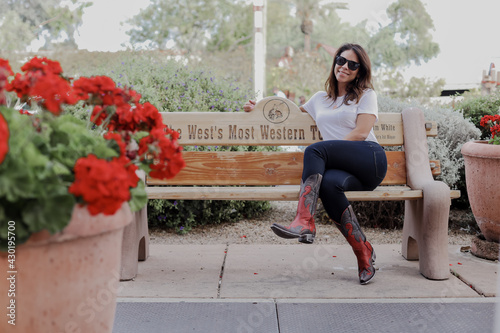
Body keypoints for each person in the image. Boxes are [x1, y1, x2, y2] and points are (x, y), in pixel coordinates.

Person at [243, 43, 387, 285]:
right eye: (341, 60)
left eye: (353, 64)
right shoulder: (319, 99)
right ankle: (363, 252)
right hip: (342, 172)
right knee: (329, 185)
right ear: (335, 62)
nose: (345, 67)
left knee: (315, 149)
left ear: (360, 71)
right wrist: (256, 109)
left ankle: (304, 221)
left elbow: (362, 133)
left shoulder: (366, 95)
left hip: (369, 160)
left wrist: (329, 151)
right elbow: (286, 115)